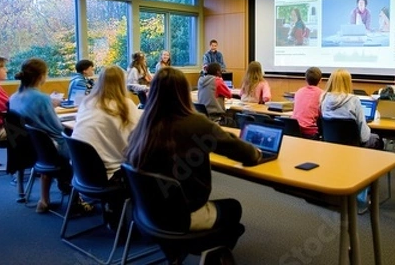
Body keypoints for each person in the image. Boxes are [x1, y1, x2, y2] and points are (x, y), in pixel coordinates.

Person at [125, 67, 260, 246]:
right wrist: (255, 151)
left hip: (146, 212)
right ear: (183, 93)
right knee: (233, 208)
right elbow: (247, 154)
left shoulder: (144, 125)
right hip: (181, 215)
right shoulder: (197, 124)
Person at [9, 58, 89, 214]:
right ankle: (75, 193)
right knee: (84, 148)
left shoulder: (13, 98)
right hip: (52, 148)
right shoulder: (42, 98)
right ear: (41, 76)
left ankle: (50, 195)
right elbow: (57, 127)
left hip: (31, 148)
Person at [72, 65, 141, 227]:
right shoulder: (125, 105)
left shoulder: (87, 102)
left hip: (82, 173)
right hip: (108, 177)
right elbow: (137, 141)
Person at [320, 69, 383, 149]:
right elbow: (364, 137)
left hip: (330, 144)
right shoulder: (354, 100)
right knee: (376, 138)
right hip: (353, 146)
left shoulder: (323, 99)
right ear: (348, 83)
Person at [292, 67, 323, 139]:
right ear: (321, 80)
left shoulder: (299, 91)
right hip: (311, 133)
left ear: (305, 79)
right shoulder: (322, 94)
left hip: (294, 129)